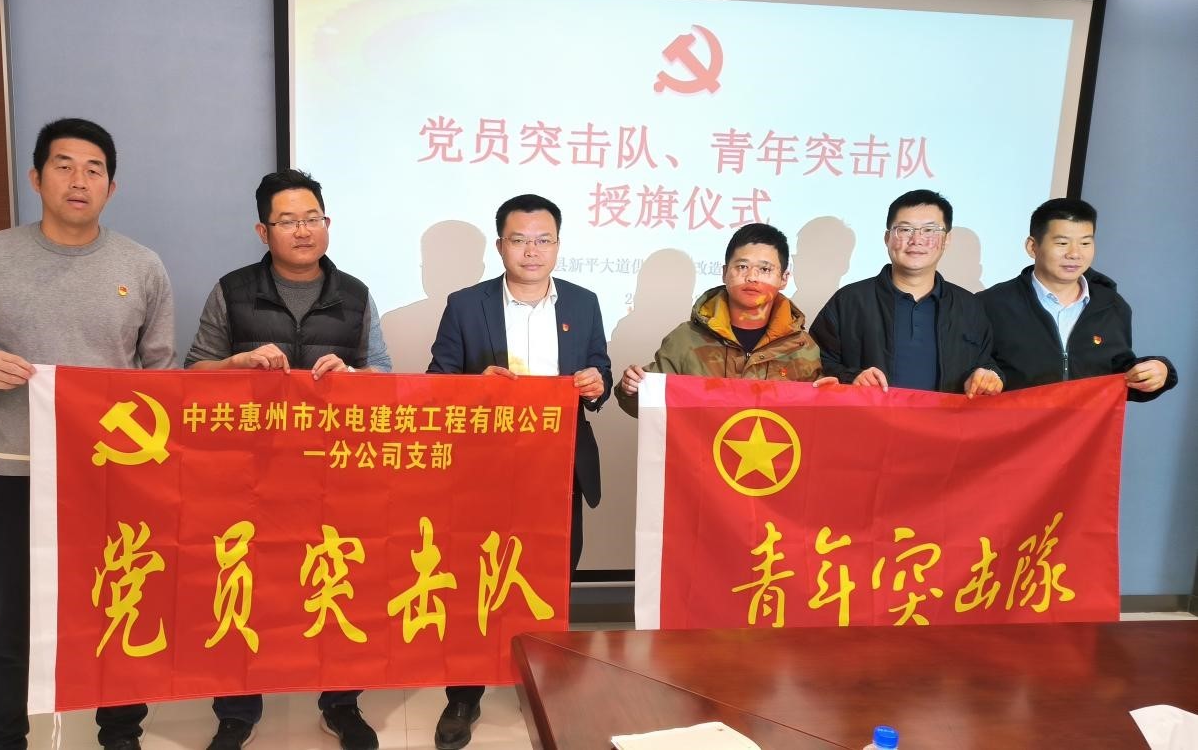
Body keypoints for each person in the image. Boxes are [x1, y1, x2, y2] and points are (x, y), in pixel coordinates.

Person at [0, 118, 171, 750]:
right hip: (19, 472)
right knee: (14, 619)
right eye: (64, 166)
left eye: (93, 170)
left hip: (113, 475)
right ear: (36, 178)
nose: (78, 180)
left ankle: (121, 733)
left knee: (120, 606)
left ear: (111, 187)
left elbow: (158, 374)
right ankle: (0, 738)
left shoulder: (142, 267)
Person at [184, 168, 391, 750]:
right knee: (242, 582)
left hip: (332, 469)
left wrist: (353, 376)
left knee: (339, 581)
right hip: (247, 469)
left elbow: (383, 373)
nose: (303, 231)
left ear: (328, 223)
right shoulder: (232, 290)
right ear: (263, 230)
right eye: (288, 221)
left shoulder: (356, 294)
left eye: (312, 218)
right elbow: (193, 374)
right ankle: (236, 710)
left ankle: (341, 704)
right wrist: (236, 365)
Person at [426, 193, 611, 750]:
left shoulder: (583, 302)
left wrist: (596, 383)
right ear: (500, 244)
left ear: (558, 244)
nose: (532, 251)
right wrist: (475, 387)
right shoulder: (466, 305)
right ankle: (464, 695)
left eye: (543, 239)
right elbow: (437, 382)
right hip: (486, 468)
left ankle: (546, 687)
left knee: (555, 579)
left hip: (559, 468)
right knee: (474, 580)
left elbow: (599, 368)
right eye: (520, 239)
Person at [809, 189, 1003, 397]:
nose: (916, 240)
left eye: (929, 230)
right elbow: (814, 365)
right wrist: (852, 377)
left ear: (947, 239)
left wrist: (989, 376)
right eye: (905, 229)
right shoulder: (849, 301)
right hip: (869, 417)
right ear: (887, 238)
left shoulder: (969, 307)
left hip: (945, 419)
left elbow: (987, 363)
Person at [978, 198, 1176, 400]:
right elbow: (977, 370)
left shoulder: (1113, 306)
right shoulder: (990, 305)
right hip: (1019, 420)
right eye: (1062, 243)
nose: (1075, 254)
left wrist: (1159, 371)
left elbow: (1119, 376)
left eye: (1085, 243)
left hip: (1086, 422)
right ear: (1032, 246)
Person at [614, 223, 822, 415]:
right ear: (724, 273)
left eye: (765, 269)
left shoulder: (801, 347)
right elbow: (651, 404)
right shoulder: (685, 339)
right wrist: (632, 390)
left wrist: (828, 397)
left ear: (784, 278)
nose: (751, 277)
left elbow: (814, 421)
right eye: (742, 267)